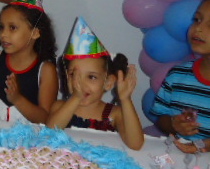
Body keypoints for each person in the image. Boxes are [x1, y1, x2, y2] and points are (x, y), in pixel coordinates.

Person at [47, 17, 144, 151]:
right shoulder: (60, 107)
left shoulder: (114, 114)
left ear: (108, 83)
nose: (81, 84)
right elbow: (49, 135)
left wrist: (126, 100)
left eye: (91, 77)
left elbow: (136, 144)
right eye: (74, 75)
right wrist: (75, 98)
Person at [151, 0, 210, 153]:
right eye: (197, 20)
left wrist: (202, 145)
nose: (198, 28)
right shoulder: (177, 75)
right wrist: (173, 124)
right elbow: (161, 117)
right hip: (179, 160)